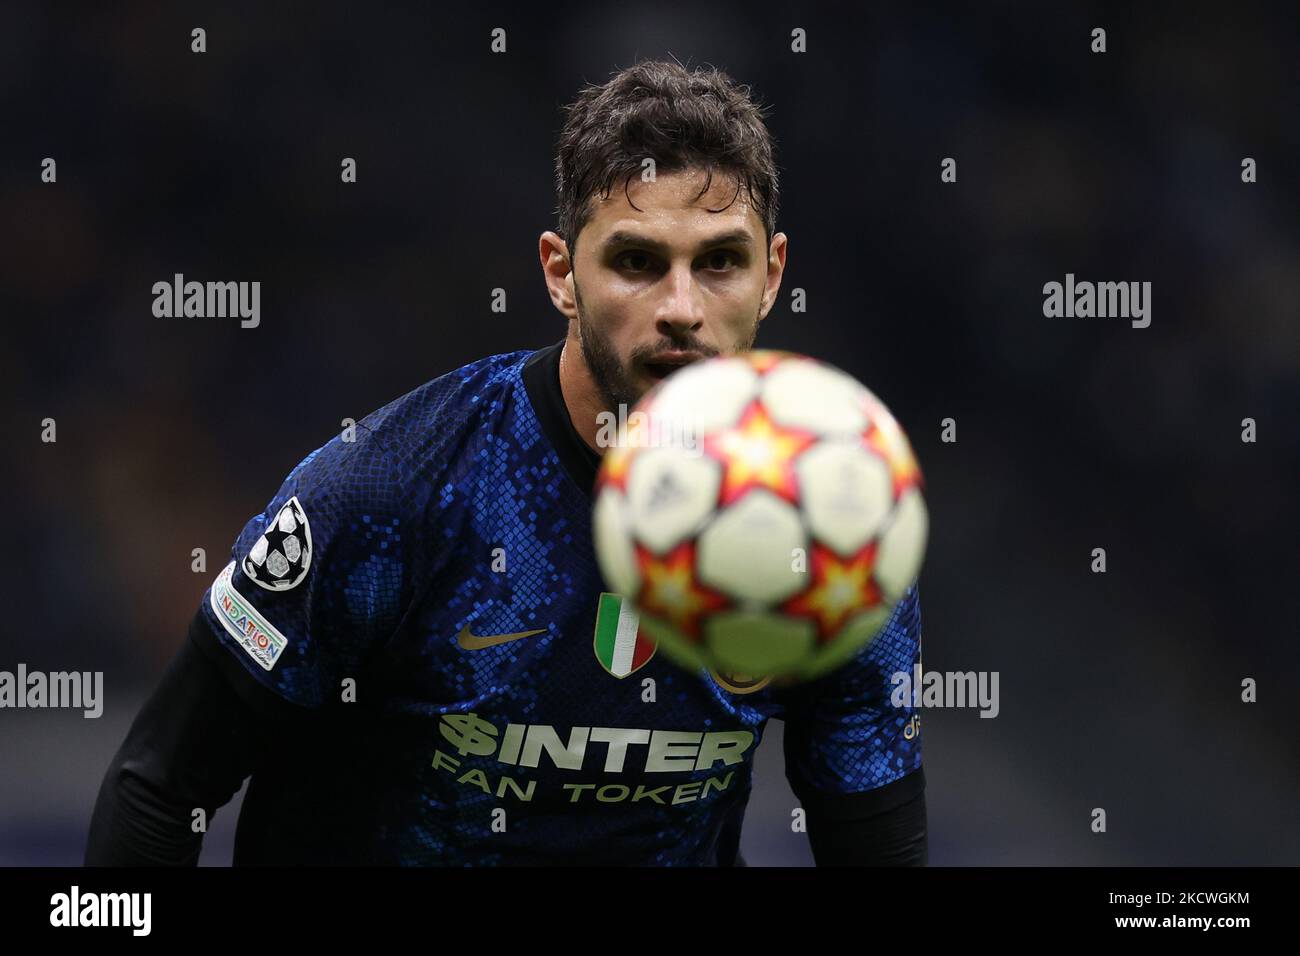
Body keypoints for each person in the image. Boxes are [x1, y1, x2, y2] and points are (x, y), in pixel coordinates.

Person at [85, 58, 926, 866]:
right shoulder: (391, 490)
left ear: (772, 275)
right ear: (562, 274)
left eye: (719, 263)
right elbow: (159, 792)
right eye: (636, 262)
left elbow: (875, 845)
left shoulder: (833, 532)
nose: (681, 309)